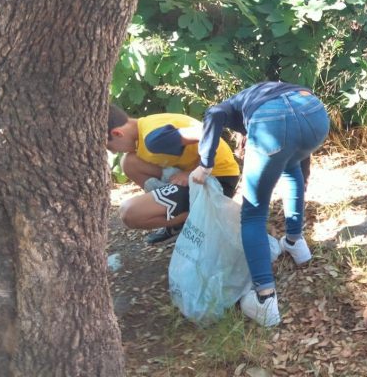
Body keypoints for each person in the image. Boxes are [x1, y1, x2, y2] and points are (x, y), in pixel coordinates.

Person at [191, 81, 329, 327]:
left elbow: (213, 114)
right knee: (291, 165)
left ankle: (265, 300)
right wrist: (305, 181)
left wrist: (205, 164)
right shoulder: (264, 92)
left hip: (273, 122)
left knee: (252, 214)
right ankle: (296, 243)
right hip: (314, 112)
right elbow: (298, 145)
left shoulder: (233, 107)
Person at [106, 105, 241, 244]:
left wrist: (197, 170)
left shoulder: (153, 139)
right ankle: (176, 219)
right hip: (201, 174)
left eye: (110, 147)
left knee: (129, 213)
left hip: (218, 180)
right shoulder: (144, 127)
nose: (114, 152)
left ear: (117, 133)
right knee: (129, 162)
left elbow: (205, 132)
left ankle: (206, 215)